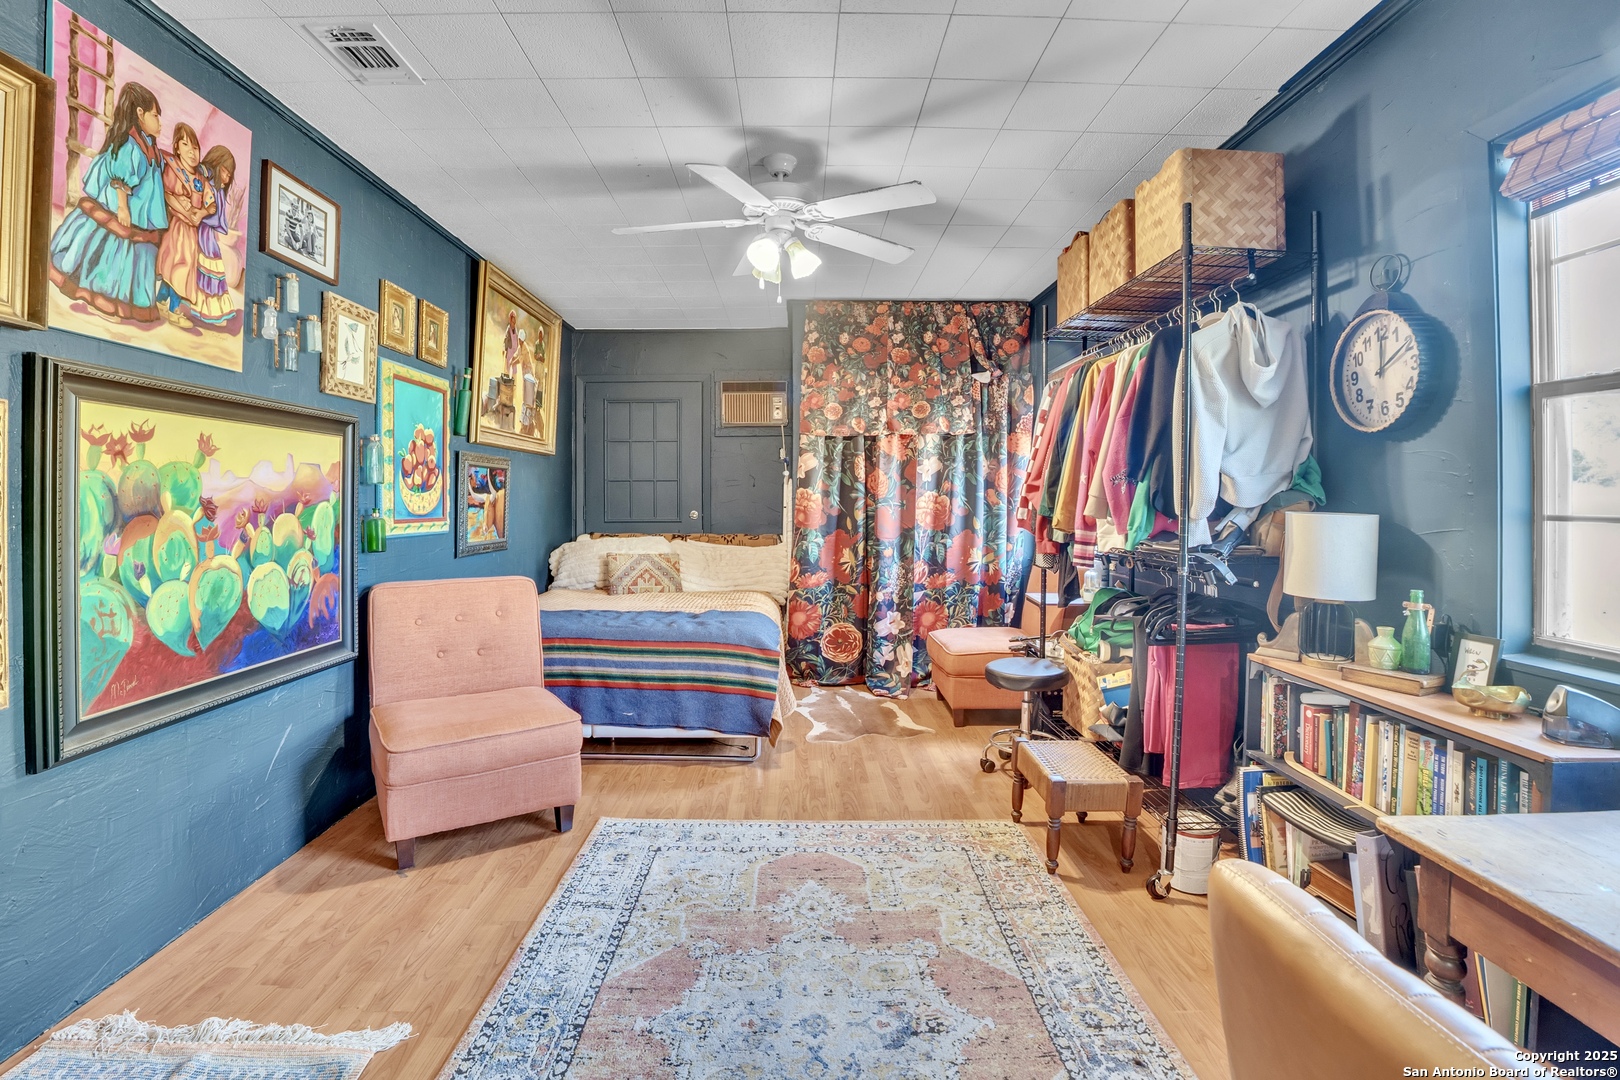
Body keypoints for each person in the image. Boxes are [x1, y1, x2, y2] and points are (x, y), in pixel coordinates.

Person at [49, 83, 169, 322]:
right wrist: (122, 208)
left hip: (143, 217)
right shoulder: (131, 146)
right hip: (123, 211)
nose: (160, 122)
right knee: (111, 251)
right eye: (155, 115)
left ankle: (124, 301)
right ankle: (100, 299)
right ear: (139, 114)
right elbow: (120, 178)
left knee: (135, 255)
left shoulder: (151, 147)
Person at [155, 122, 206, 326]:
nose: (192, 152)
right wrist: (186, 211)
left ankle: (162, 301)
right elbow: (168, 195)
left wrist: (199, 213)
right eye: (186, 145)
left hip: (191, 232)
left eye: (195, 147)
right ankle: (173, 308)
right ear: (177, 147)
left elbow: (207, 204)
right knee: (176, 267)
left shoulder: (199, 178)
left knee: (182, 269)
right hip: (177, 228)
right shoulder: (173, 169)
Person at [190, 145, 238, 327]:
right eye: (225, 172)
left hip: (207, 234)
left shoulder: (216, 188)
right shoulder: (206, 183)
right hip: (202, 233)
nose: (226, 177)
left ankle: (211, 309)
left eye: (229, 175)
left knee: (211, 268)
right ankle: (205, 308)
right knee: (205, 266)